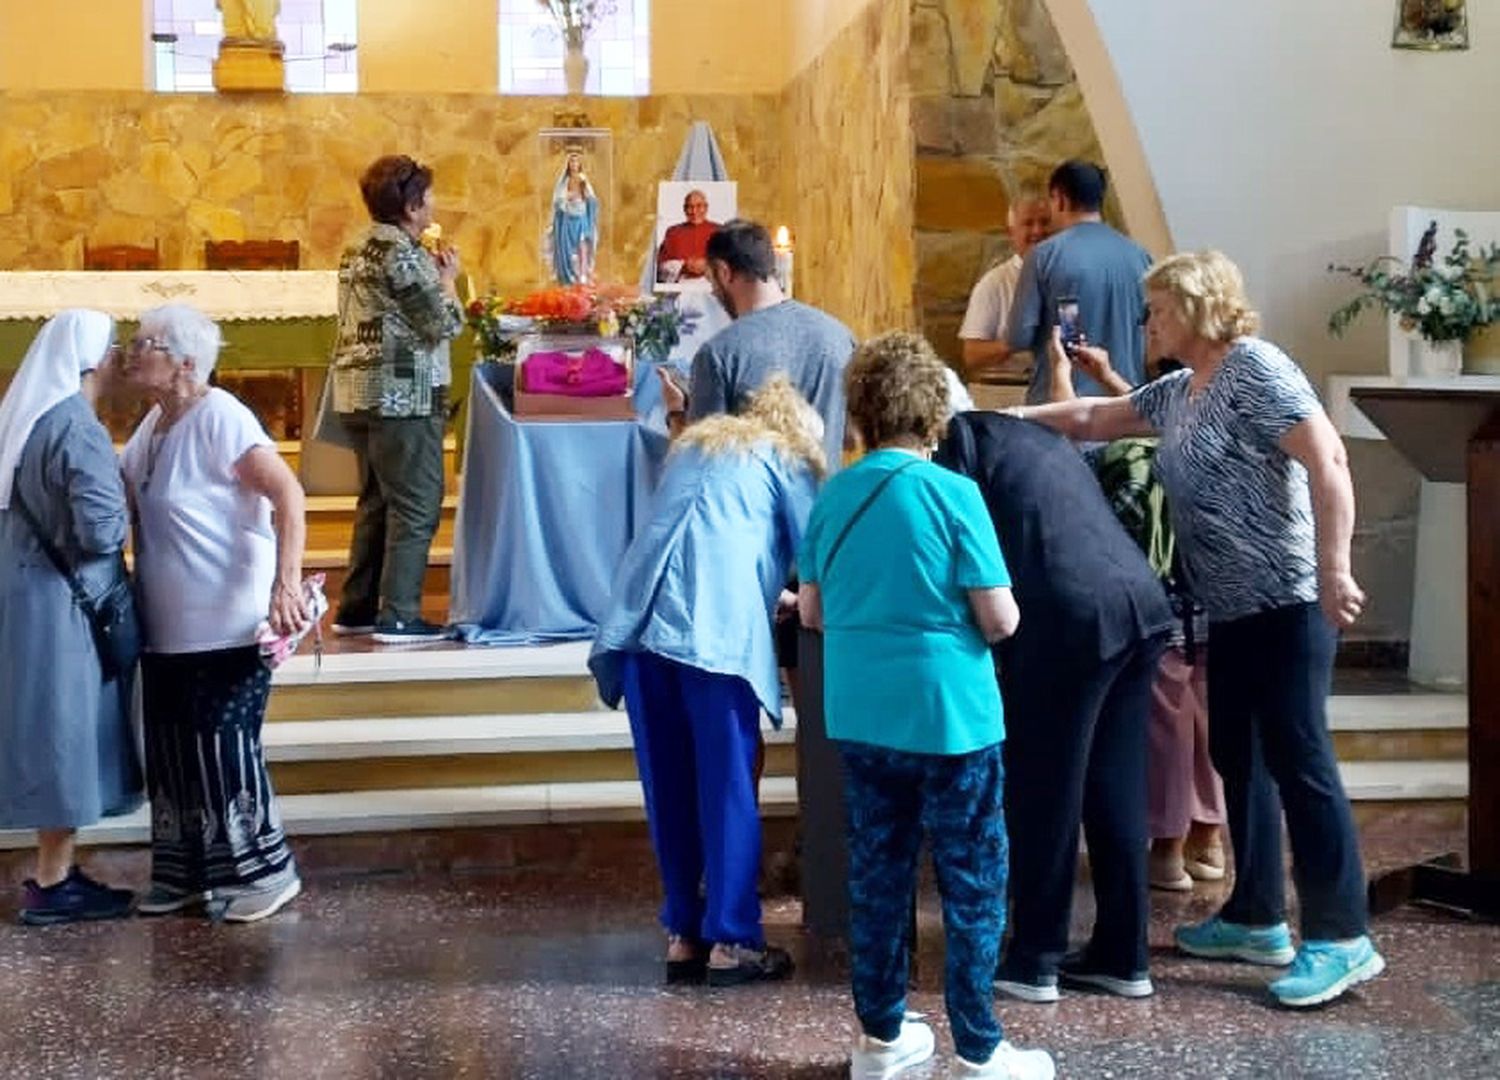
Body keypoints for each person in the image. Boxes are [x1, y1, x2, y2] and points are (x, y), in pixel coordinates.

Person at [1008, 250, 1385, 1009]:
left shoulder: (1255, 368)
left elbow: (1329, 458)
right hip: (1233, 608)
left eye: (1157, 309)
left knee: (1300, 758)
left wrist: (1336, 568)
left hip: (1288, 601)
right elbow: (1093, 415)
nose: (1147, 321)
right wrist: (1006, 419)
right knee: (1237, 757)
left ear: (1193, 306)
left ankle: (1343, 936)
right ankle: (1255, 915)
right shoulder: (1183, 389)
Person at [799, 333, 1053, 1080]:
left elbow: (811, 611)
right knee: (972, 878)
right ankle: (978, 1048)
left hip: (860, 713)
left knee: (878, 874)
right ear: (934, 413)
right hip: (951, 716)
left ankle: (882, 1040)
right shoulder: (954, 495)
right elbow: (1000, 618)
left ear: (864, 413)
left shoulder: (835, 496)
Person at [935, 406, 1173, 1004]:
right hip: (1139, 602)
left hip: (1071, 617)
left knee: (1046, 791)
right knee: (1115, 789)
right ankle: (1125, 956)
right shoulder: (1027, 434)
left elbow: (961, 547)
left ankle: (1034, 958)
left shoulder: (957, 441)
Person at [589, 376, 822, 987]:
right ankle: (734, 939)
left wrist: (771, 590)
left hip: (642, 624)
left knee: (669, 788)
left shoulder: (698, 446)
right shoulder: (786, 457)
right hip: (712, 635)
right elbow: (816, 551)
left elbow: (703, 532)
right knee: (726, 787)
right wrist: (806, 603)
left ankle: (684, 934)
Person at [121, 303, 312, 923]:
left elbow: (288, 493)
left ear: (184, 361)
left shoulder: (222, 416)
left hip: (228, 624)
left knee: (224, 752)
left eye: (145, 342)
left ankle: (265, 873)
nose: (131, 351)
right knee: (174, 755)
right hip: (166, 629)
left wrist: (284, 587)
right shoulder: (151, 427)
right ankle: (186, 874)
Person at [1051, 344, 1227, 891]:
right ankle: (1209, 838)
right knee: (1206, 719)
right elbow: (1148, 411)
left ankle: (1168, 848)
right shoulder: (1208, 437)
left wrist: (1059, 374)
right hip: (1213, 599)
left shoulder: (1133, 462)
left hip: (1161, 603)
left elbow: (1072, 438)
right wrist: (1106, 375)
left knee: (1166, 725)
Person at [0, 310, 143, 925]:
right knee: (65, 733)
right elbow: (101, 530)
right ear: (89, 359)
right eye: (112, 348)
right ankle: (53, 885)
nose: (117, 358)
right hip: (66, 610)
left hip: (32, 598)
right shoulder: (76, 427)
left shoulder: (32, 420)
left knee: (49, 731)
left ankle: (54, 870)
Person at [329, 154, 464, 643]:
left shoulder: (357, 246)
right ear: (410, 206)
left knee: (378, 502)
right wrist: (448, 279)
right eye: (426, 196)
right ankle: (400, 614)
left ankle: (357, 607)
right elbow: (442, 324)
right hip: (402, 394)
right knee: (416, 501)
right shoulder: (403, 253)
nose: (432, 204)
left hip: (361, 391)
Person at [661, 218, 856, 467]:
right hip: (829, 501)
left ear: (724, 272)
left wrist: (676, 412)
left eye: (711, 282)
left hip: (754, 506)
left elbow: (701, 466)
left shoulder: (719, 354)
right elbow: (849, 438)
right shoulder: (840, 336)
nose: (713, 293)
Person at [1004, 161, 1152, 403]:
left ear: (1059, 198)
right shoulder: (1141, 256)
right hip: (1126, 402)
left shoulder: (1044, 256)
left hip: (1063, 408)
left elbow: (1017, 336)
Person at [958, 192, 1051, 380]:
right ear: (1011, 233)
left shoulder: (1072, 278)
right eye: (1028, 223)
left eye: (1044, 222)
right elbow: (972, 356)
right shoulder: (994, 284)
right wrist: (1014, 343)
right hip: (1008, 394)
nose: (1037, 231)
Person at [551, 149, 599, 286]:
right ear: (568, 164)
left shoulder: (583, 179)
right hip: (568, 218)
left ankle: (582, 274)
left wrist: (584, 195)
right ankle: (569, 276)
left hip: (581, 217)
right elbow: (558, 200)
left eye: (576, 161)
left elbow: (591, 199)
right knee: (567, 249)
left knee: (582, 245)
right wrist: (566, 198)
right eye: (571, 161)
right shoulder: (564, 181)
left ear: (580, 164)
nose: (574, 164)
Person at [656, 189, 720, 281]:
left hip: (711, 285)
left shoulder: (719, 231)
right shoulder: (673, 232)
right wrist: (684, 266)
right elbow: (661, 266)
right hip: (681, 285)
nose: (694, 211)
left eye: (699, 206)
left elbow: (730, 263)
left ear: (706, 207)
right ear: (684, 209)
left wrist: (708, 265)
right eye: (690, 207)